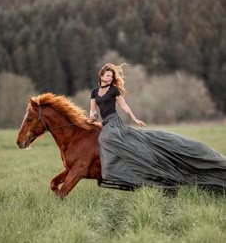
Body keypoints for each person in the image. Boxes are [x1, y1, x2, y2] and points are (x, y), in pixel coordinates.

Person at [90, 63, 226, 191]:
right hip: (105, 122)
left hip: (114, 122)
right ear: (101, 76)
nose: (110, 78)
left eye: (111, 76)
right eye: (108, 75)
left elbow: (124, 106)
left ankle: (112, 172)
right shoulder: (94, 93)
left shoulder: (114, 90)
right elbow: (93, 111)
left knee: (105, 139)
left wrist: (134, 118)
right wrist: (91, 118)